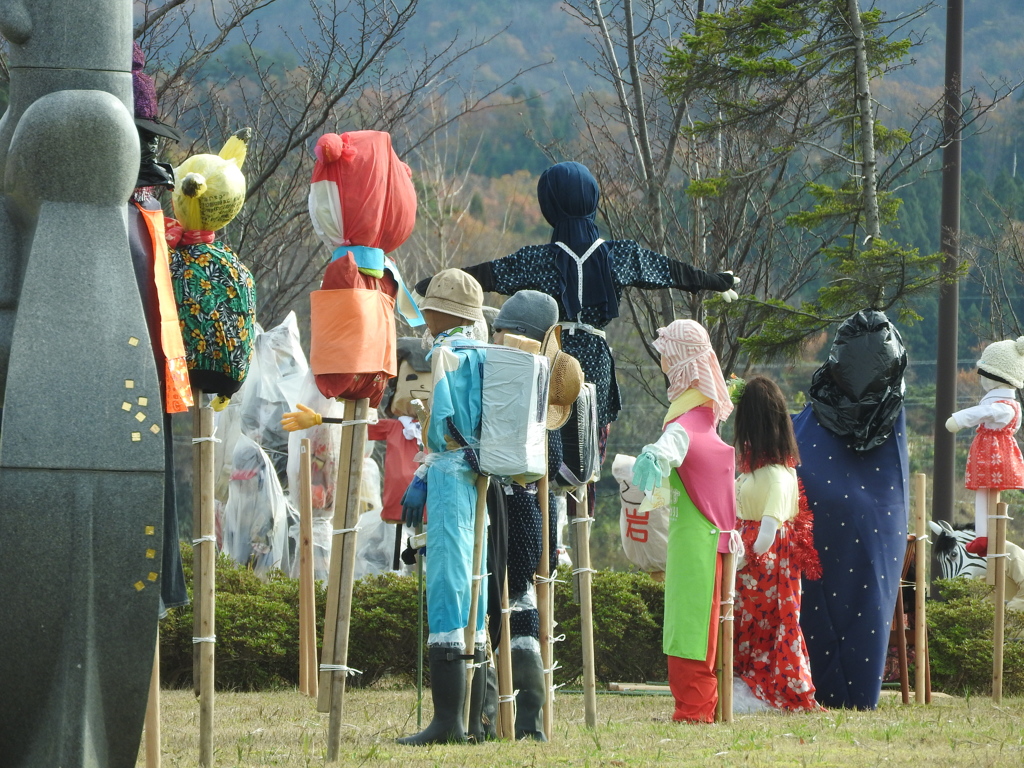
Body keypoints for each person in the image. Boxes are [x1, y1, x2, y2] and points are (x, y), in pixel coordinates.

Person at [421, 162, 739, 513]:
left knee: (546, 441)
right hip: (595, 359)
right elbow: (667, 270)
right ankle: (580, 518)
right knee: (587, 447)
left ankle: (547, 523)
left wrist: (436, 286)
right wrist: (713, 281)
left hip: (553, 357)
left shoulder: (539, 259)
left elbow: (487, 275)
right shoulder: (617, 255)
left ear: (550, 204)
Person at [795, 310, 909, 709]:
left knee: (816, 594)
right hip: (881, 517)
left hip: (816, 509)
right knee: (870, 594)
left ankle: (810, 681)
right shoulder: (892, 407)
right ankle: (859, 692)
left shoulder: (813, 416)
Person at [397, 268, 490, 745]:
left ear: (439, 313)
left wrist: (425, 473)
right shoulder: (485, 353)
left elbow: (440, 425)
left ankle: (447, 721)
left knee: (448, 583)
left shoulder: (445, 353)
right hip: (480, 476)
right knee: (475, 583)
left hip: (451, 475)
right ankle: (476, 719)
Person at [631, 319, 738, 723]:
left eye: (666, 355)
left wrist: (653, 458)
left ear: (680, 363)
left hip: (698, 543)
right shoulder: (700, 419)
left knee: (691, 625)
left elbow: (668, 451)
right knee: (698, 624)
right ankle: (699, 706)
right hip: (706, 539)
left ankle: (694, 709)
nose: (662, 362)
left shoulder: (685, 425)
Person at [732, 376, 822, 712]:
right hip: (758, 562)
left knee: (756, 628)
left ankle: (761, 689)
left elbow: (767, 535)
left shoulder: (774, 475)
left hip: (760, 567)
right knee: (753, 630)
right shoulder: (775, 472)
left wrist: (739, 560)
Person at [945, 337, 1024, 556]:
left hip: (992, 454)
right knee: (984, 493)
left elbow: (982, 413)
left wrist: (959, 419)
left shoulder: (1002, 406)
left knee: (985, 493)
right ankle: (983, 535)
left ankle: (985, 535)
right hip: (995, 452)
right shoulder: (1011, 405)